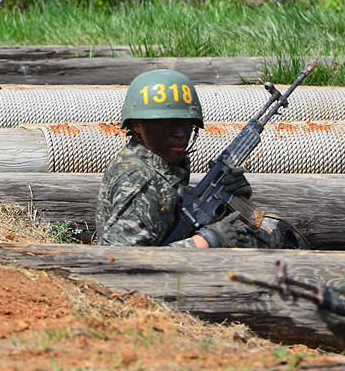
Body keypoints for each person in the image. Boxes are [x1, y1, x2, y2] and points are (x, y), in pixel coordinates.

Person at [96, 68, 306, 249]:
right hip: (155, 283)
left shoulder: (160, 163)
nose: (180, 133)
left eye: (187, 122)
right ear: (137, 125)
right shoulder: (138, 179)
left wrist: (229, 192)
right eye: (167, 122)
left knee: (279, 234)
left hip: (172, 260)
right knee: (277, 242)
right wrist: (206, 240)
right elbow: (120, 259)